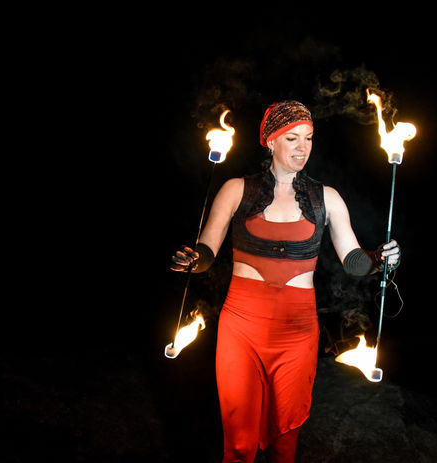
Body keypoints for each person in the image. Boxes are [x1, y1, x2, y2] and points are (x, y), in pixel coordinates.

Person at [171, 100, 400, 462]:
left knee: (284, 442)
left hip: (297, 332)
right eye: (292, 138)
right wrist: (192, 260)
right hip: (241, 327)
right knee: (239, 443)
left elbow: (354, 262)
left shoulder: (327, 199)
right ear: (271, 141)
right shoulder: (235, 190)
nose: (302, 147)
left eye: (308, 138)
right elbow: (207, 251)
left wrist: (380, 261)